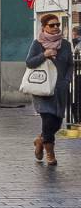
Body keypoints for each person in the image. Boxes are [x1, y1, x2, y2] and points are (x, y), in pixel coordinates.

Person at [25, 12, 73, 167]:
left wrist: (66, 80)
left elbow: (71, 64)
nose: (55, 28)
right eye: (52, 25)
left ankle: (40, 140)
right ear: (44, 27)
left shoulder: (65, 44)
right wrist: (44, 55)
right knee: (48, 120)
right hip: (43, 90)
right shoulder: (37, 43)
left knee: (57, 122)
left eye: (57, 25)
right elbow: (29, 63)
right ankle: (50, 154)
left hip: (60, 90)